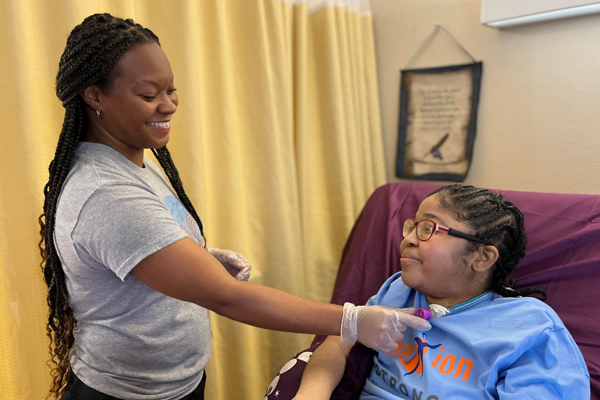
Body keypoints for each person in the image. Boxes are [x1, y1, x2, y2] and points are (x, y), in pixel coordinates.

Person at [38, 13, 433, 400]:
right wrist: (352, 320)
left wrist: (198, 257)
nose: (169, 105)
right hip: (127, 393)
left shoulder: (134, 162)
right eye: (148, 95)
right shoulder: (108, 194)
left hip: (173, 384)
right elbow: (228, 297)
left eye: (171, 90)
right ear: (94, 96)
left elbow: (142, 243)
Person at [293, 184, 590, 400]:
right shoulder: (398, 289)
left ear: (482, 257)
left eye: (427, 229)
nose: (407, 239)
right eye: (411, 226)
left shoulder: (530, 326)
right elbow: (338, 340)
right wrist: (311, 393)